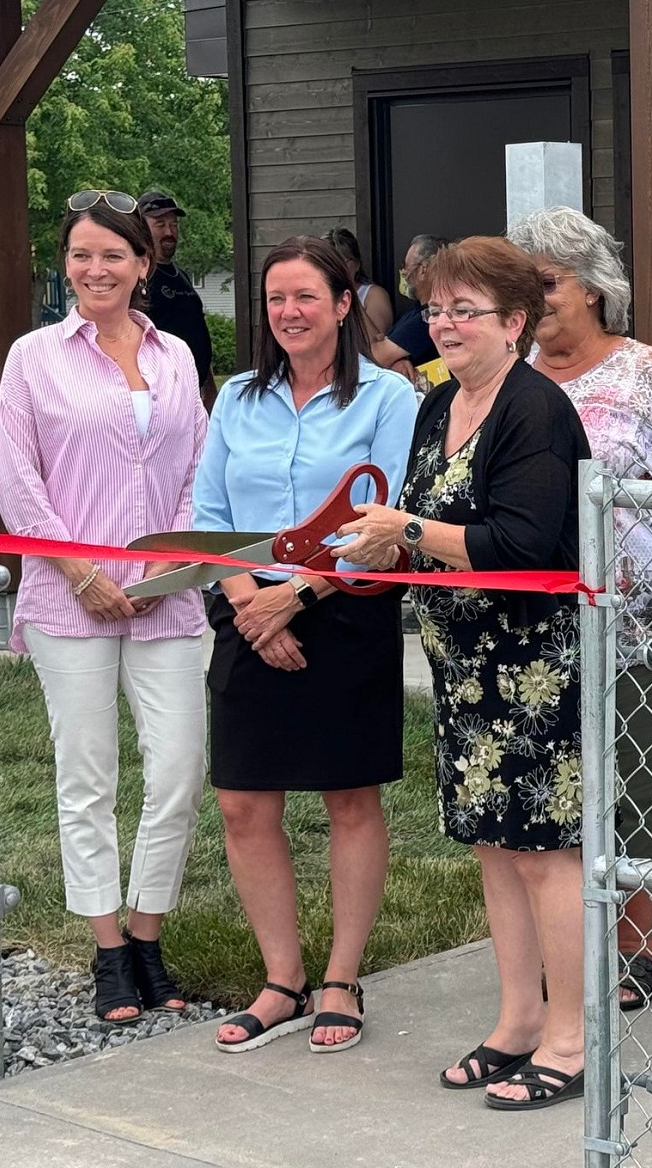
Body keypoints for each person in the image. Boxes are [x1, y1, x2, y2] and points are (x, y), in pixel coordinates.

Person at [334, 236, 591, 1110]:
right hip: (462, 665)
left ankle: (571, 1036)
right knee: (494, 845)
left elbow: (520, 543)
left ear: (514, 322)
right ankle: (517, 1021)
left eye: (464, 311)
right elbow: (422, 531)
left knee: (548, 852)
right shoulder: (434, 406)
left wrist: (402, 531)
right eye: (436, 309)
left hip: (533, 665)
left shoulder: (537, 409)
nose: (443, 325)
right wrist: (389, 542)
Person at [194, 235, 416, 1055]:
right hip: (247, 608)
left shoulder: (390, 401)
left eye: (306, 298)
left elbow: (384, 522)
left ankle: (341, 979)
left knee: (349, 798)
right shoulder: (237, 400)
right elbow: (210, 514)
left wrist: (298, 596)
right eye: (276, 299)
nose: (289, 313)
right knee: (244, 803)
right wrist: (253, 604)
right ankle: (281, 979)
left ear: (343, 305)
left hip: (346, 607)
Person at [0, 189, 209, 1026]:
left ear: (142, 264)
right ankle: (109, 952)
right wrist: (84, 574)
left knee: (179, 771)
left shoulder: (177, 358)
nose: (96, 269)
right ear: (66, 265)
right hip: (67, 597)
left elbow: (196, 468)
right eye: (82, 255)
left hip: (164, 599)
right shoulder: (34, 357)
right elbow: (19, 481)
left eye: (113, 255)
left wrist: (165, 564)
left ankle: (149, 932)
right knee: (87, 778)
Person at [508, 205, 652, 1012]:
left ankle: (631, 947)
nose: (533, 300)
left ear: (593, 289)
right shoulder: (510, 372)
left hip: (631, 629)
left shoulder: (646, 370)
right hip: (528, 629)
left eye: (545, 283)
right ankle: (558, 950)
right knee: (541, 794)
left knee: (629, 788)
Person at [138, 190, 216, 410]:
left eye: (173, 224)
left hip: (193, 395)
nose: (169, 232)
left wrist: (209, 389)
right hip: (160, 398)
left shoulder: (180, 276)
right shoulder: (137, 277)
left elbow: (196, 333)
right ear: (140, 228)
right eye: (160, 224)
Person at [373, 233, 448, 387]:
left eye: (406, 266)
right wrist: (400, 358)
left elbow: (376, 356)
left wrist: (392, 357)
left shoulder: (428, 318)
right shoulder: (414, 312)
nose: (404, 273)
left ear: (423, 270)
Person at [326, 227, 396, 347]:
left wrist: (349, 294)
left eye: (343, 261)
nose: (336, 268)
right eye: (329, 262)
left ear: (357, 264)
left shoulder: (373, 294)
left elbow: (377, 344)